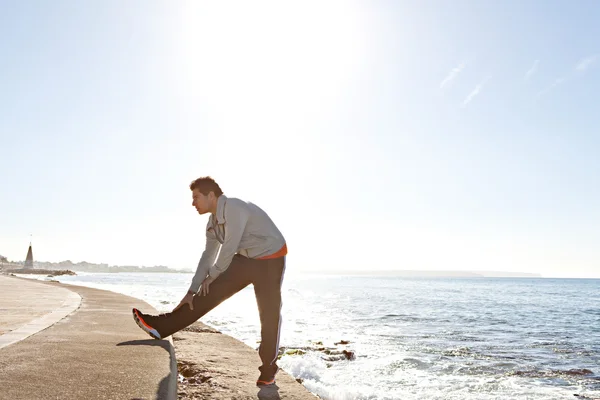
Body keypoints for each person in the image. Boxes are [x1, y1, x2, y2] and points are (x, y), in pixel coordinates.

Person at [132, 176, 288, 386]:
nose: (193, 203)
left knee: (269, 313)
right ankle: (161, 326)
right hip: (245, 259)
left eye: (196, 197)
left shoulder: (234, 208)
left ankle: (268, 370)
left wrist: (212, 275)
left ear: (211, 195)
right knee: (206, 293)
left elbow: (229, 248)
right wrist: (192, 290)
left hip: (270, 259)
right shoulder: (212, 223)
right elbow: (208, 256)